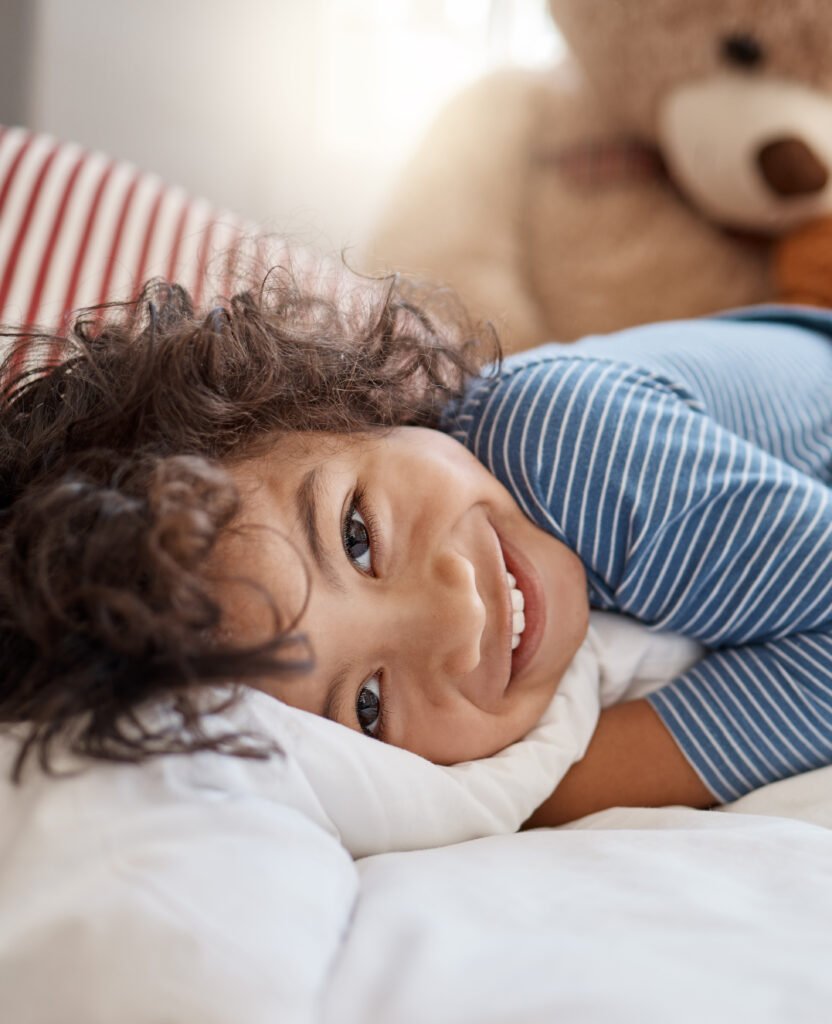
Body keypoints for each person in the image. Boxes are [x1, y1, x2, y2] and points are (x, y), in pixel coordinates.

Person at [1, 259, 830, 828]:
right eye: (367, 708)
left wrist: (566, 792)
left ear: (343, 412)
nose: (459, 619)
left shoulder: (567, 441)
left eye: (357, 536)